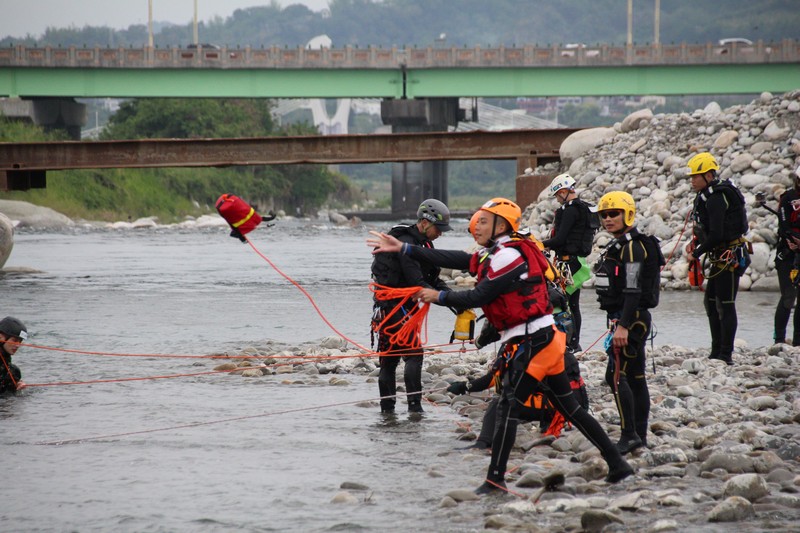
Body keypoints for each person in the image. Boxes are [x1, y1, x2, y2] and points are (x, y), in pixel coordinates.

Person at [368, 197, 633, 493]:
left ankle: (495, 479)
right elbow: (458, 259)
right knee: (570, 408)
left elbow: (478, 297)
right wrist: (404, 248)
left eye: (483, 221)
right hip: (543, 339)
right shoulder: (496, 251)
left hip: (535, 342)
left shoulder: (507, 256)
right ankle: (618, 465)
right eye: (477, 220)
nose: (475, 226)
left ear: (501, 225)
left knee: (507, 406)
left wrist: (439, 297)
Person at [593, 191, 664, 455]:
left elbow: (633, 290)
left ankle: (629, 435)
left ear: (628, 214)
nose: (608, 219)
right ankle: (638, 435)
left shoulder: (633, 247)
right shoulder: (622, 244)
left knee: (617, 376)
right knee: (634, 377)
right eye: (604, 215)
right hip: (629, 318)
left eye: (614, 214)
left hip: (631, 320)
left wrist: (622, 325)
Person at [370, 198, 452, 414]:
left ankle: (387, 414)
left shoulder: (423, 244)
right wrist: (445, 298)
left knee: (390, 360)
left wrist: (454, 298)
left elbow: (432, 279)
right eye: (439, 228)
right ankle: (414, 410)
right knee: (412, 355)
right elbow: (418, 283)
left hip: (397, 309)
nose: (441, 233)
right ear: (425, 223)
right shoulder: (405, 243)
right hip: (393, 308)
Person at [685, 152, 750, 365]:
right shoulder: (709, 196)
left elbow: (717, 235)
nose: (692, 180)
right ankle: (716, 351)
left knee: (726, 303)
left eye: (696, 176)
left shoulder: (716, 199)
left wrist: (696, 253)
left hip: (729, 256)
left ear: (709, 176)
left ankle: (725, 354)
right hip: (720, 256)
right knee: (711, 301)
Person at [542, 173, 598, 351]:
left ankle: (570, 342)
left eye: (558, 195)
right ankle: (573, 342)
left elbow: (560, 240)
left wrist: (539, 245)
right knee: (573, 304)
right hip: (577, 262)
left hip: (568, 265)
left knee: (565, 303)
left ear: (565, 191)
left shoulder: (570, 210)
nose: (558, 200)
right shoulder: (582, 209)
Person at [773, 166, 800, 345]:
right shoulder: (788, 198)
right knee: (788, 296)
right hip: (788, 254)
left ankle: (798, 341)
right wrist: (794, 240)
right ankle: (779, 339)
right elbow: (784, 226)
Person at [0, 316, 29, 394]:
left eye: (20, 341)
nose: (17, 345)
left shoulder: (14, 372)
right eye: (14, 340)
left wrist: (18, 388)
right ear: (1, 337)